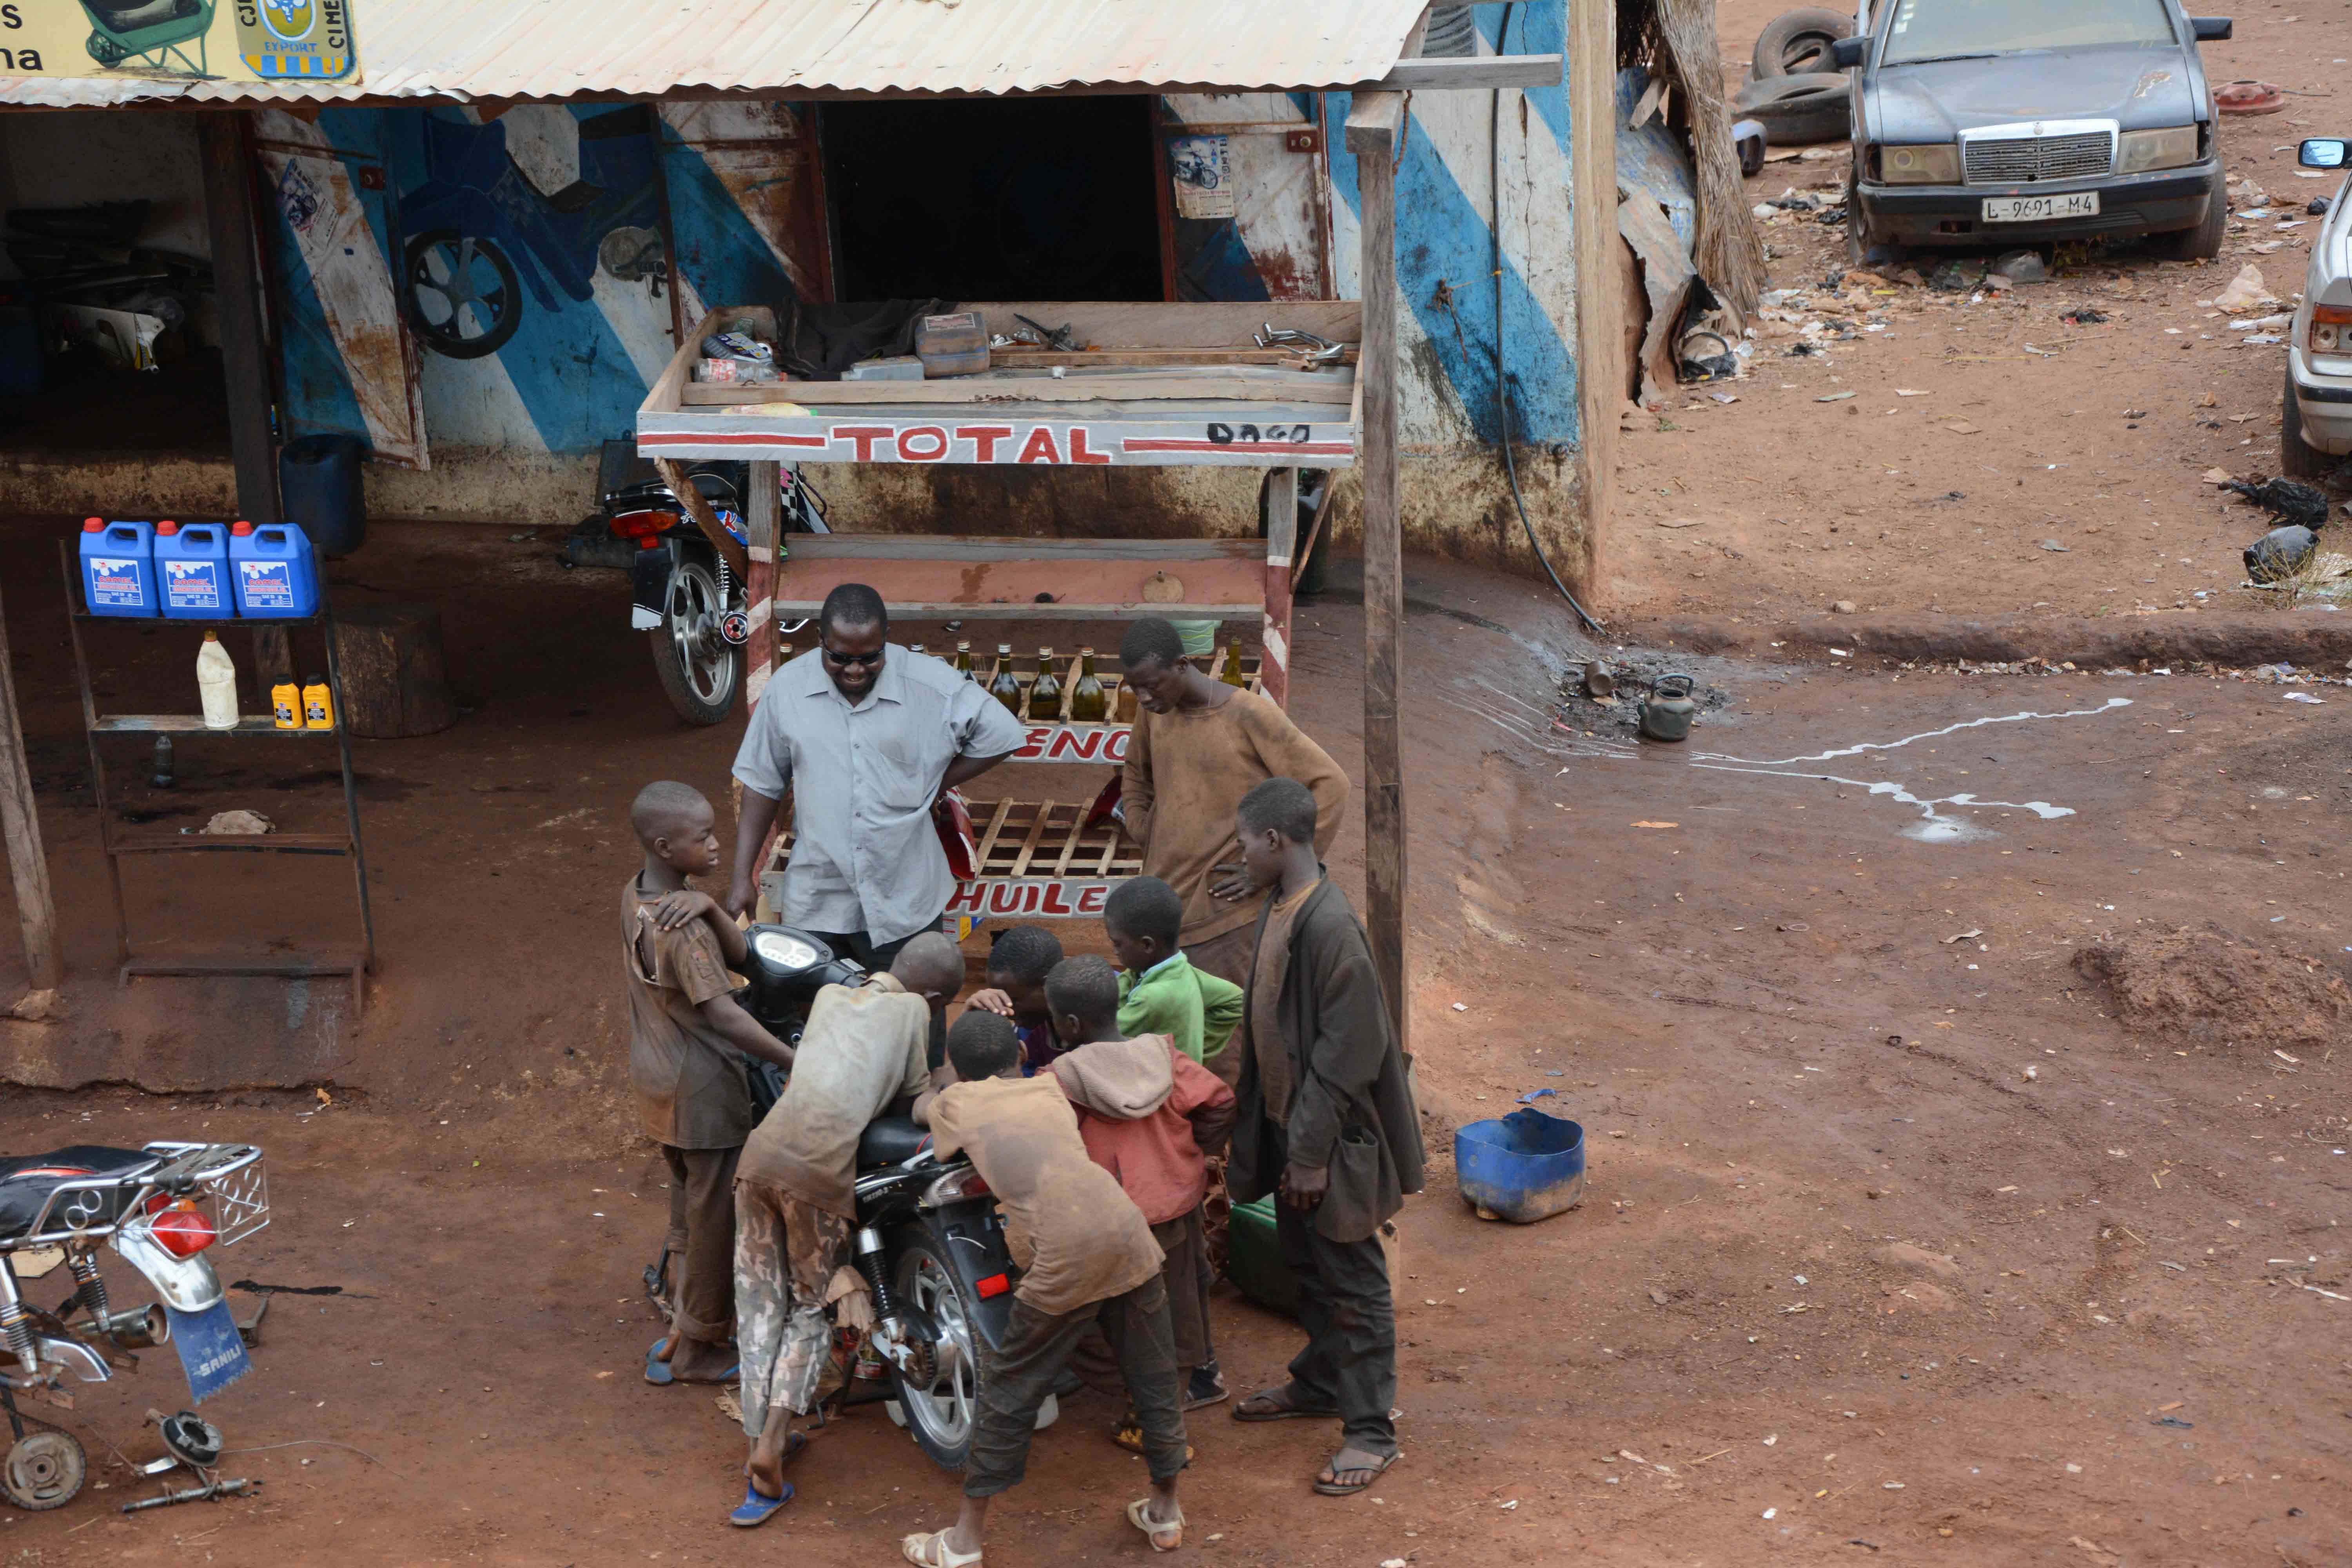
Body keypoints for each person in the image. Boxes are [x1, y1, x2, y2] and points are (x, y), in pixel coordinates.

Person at [901, 1011, 1187, 1566]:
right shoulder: (1048, 1088)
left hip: (1064, 1257)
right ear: (1019, 1057)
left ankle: (963, 1542)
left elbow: (922, 1115)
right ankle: (1166, 1512)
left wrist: (941, 1082)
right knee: (1154, 1377)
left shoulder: (958, 1101)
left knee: (1009, 1391)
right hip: (1128, 1233)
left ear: (960, 1067)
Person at [1224, 777, 1424, 1497]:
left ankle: (1371, 1432)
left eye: (1245, 844)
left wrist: (1309, 1154)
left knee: (1354, 1282)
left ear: (1275, 840)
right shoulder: (1282, 906)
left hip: (1330, 1142)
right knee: (1307, 1265)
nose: (1241, 856)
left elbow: (1350, 1054)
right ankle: (1320, 1384)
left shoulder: (1332, 928)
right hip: (1290, 1128)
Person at [728, 933, 967, 1528]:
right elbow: (911, 1099)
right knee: (812, 1307)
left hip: (759, 1160)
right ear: (935, 999)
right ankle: (771, 1446)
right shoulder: (914, 1012)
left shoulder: (831, 995)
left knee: (758, 1304)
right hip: (816, 1177)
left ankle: (759, 1438)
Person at [728, 583, 1025, 965]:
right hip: (819, 901)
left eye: (870, 658)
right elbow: (762, 782)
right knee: (820, 1004)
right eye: (839, 658)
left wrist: (936, 780)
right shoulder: (787, 689)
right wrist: (742, 877)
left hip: (904, 903)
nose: (855, 670)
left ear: (886, 637)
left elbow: (1003, 733)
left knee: (911, 1003)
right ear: (820, 639)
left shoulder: (929, 682)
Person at [624, 781, 794, 1387]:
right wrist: (794, 1061)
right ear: (666, 847)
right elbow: (726, 1013)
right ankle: (699, 1348)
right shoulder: (683, 932)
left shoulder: (639, 894)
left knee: (689, 1206)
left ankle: (680, 1318)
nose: (718, 844)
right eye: (704, 837)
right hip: (702, 1090)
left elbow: (741, 952)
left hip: (658, 1081)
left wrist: (709, 904)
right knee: (716, 1220)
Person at [1045, 955, 1236, 1423]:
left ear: (1070, 1023)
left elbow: (1046, 1141)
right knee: (1179, 1312)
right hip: (1176, 1205)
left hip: (1110, 1221)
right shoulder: (1163, 1056)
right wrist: (1192, 1153)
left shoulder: (1062, 1078)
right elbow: (1221, 1101)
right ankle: (1163, 1408)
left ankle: (1138, 1399)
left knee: (1093, 1315)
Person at [1116, 615, 1348, 989]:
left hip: (1228, 913)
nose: (1144, 698)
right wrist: (1144, 829)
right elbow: (1135, 772)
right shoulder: (1155, 713)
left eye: (1153, 686)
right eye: (1135, 688)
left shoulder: (1248, 714)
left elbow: (1331, 785)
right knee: (1168, 1015)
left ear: (1182, 665)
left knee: (1230, 1017)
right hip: (1165, 906)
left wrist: (1277, 869)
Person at [1105, 875, 1246, 1075]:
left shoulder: (1152, 998)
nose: (1115, 951)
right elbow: (1234, 1000)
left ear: (1147, 945)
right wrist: (1191, 1057)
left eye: (1118, 943)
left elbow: (1100, 1040)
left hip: (1158, 1092)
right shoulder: (1183, 971)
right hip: (1181, 1082)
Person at [961, 924, 1065, 1074]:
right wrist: (970, 1027)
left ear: (1047, 985)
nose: (1006, 1010)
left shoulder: (1096, 1022)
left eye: (1012, 1001)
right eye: (999, 998)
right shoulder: (1026, 1029)